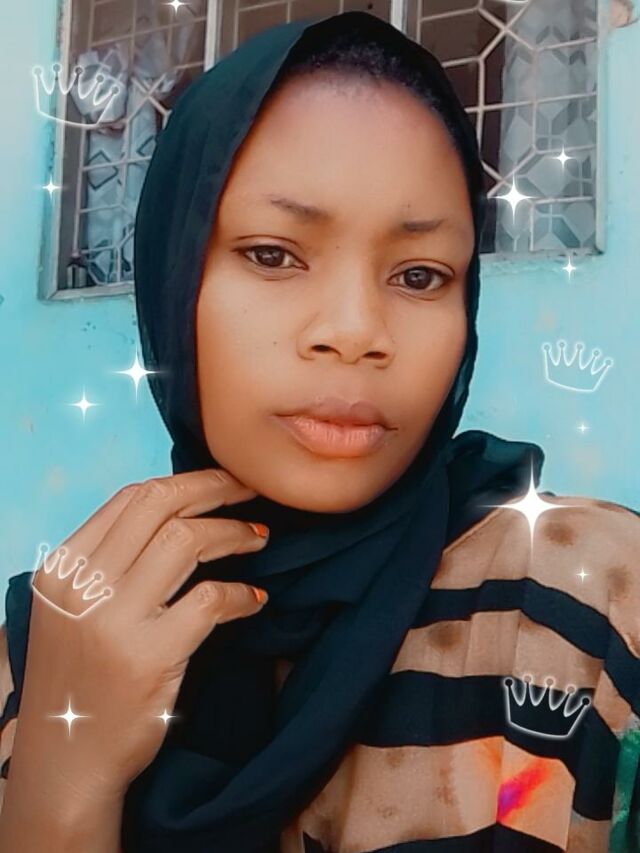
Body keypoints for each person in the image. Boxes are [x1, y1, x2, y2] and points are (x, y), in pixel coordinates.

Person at [0, 10, 639, 853]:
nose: (354, 331)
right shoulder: (53, 645)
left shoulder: (590, 601)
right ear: (172, 274)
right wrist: (62, 775)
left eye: (420, 275)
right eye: (273, 254)